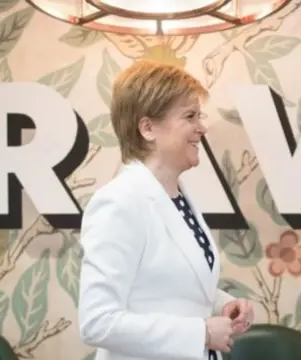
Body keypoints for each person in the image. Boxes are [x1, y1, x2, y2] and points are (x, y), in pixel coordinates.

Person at [78, 60, 253, 360]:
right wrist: (201, 333)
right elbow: (97, 322)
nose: (202, 127)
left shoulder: (178, 197)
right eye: (189, 116)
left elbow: (166, 290)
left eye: (200, 115)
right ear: (147, 128)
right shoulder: (119, 202)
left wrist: (221, 304)